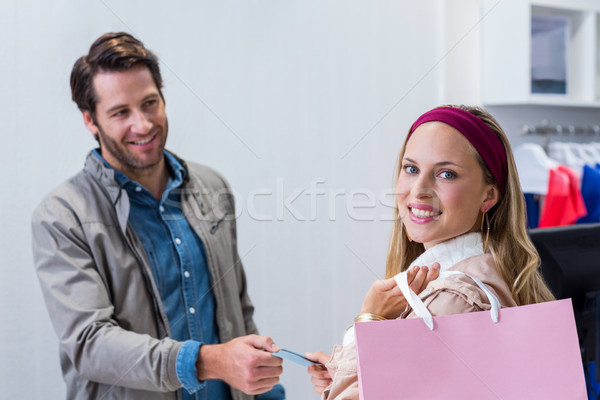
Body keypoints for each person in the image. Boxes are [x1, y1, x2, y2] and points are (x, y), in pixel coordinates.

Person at [31, 32, 284, 400]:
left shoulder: (213, 187)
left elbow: (237, 313)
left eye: (150, 103)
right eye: (120, 112)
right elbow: (90, 343)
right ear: (90, 120)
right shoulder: (61, 217)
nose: (143, 124)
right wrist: (207, 362)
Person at [305, 105, 555, 398]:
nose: (419, 189)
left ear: (488, 195)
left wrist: (368, 323)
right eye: (411, 169)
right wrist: (356, 372)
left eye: (446, 174)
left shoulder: (450, 303)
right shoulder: (492, 273)